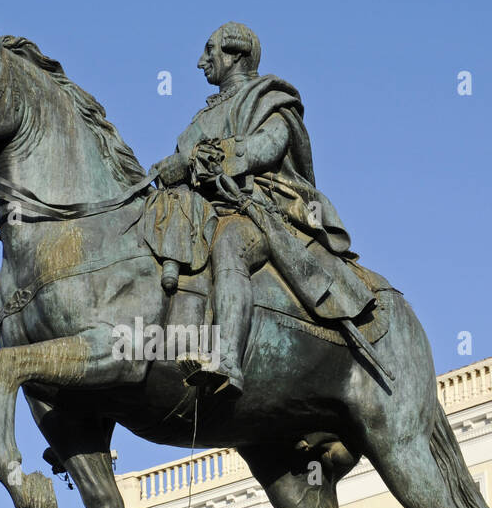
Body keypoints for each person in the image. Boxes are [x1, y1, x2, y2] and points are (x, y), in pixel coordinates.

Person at [150, 23, 375, 398]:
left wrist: (203, 161)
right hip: (202, 210)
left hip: (259, 209)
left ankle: (228, 361)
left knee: (229, 245)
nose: (200, 62)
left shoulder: (269, 99)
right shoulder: (201, 116)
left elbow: (267, 149)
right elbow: (185, 162)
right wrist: (169, 167)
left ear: (235, 54)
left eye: (210, 51)